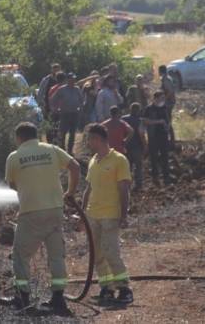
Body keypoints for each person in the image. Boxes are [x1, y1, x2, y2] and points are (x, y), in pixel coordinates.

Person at [0, 122, 81, 315]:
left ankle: (23, 297)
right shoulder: (52, 150)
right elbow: (75, 167)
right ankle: (58, 299)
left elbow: (12, 185)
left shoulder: (15, 156)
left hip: (31, 212)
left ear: (19, 137)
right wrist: (70, 192)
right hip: (55, 210)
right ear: (36, 135)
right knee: (56, 255)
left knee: (21, 255)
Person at [83, 123, 134, 305]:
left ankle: (124, 288)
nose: (88, 142)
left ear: (98, 139)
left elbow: (124, 189)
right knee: (97, 254)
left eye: (89, 138)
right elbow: (88, 189)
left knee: (111, 252)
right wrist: (82, 213)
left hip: (110, 214)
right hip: (92, 214)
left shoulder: (119, 160)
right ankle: (107, 287)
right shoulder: (93, 161)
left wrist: (124, 214)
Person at [143, 91, 173, 186]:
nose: (163, 100)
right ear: (155, 98)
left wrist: (168, 127)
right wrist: (158, 122)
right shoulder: (149, 109)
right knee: (154, 158)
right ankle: (155, 178)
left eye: (163, 98)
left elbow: (169, 120)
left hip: (163, 136)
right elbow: (145, 121)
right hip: (153, 136)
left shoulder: (165, 108)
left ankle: (166, 177)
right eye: (161, 98)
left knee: (165, 157)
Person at [50, 73, 83, 155]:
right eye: (71, 79)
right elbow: (53, 99)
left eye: (74, 79)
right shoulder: (62, 89)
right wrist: (55, 109)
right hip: (65, 113)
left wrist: (80, 108)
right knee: (63, 132)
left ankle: (70, 150)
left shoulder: (77, 89)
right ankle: (62, 150)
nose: (73, 81)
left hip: (74, 113)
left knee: (72, 133)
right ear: (68, 80)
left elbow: (81, 100)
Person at [122, 103, 148, 191]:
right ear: (139, 110)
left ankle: (126, 185)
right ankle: (138, 185)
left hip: (126, 146)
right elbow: (141, 134)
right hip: (137, 146)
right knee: (138, 166)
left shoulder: (123, 119)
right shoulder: (140, 120)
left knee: (127, 167)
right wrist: (145, 145)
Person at [159, 65, 177, 144]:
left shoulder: (166, 79)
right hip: (169, 102)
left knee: (167, 120)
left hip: (168, 103)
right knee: (167, 119)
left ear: (160, 71)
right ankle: (170, 138)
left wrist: (163, 99)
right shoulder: (167, 78)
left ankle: (171, 139)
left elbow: (170, 91)